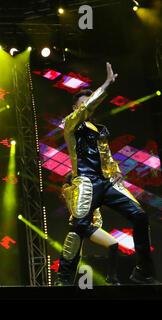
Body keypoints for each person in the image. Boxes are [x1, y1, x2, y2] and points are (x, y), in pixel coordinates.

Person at [58, 62, 155, 284]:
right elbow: (86, 108)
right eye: (85, 103)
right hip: (86, 183)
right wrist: (106, 84)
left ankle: (144, 270)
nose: (89, 106)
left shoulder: (97, 130)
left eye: (90, 102)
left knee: (139, 215)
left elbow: (106, 156)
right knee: (78, 228)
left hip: (105, 183)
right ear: (76, 108)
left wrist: (117, 171)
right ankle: (64, 278)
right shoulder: (70, 124)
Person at [58, 173, 120, 285]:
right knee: (73, 256)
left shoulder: (88, 192)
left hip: (87, 225)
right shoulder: (69, 191)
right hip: (79, 224)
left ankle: (112, 277)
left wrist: (111, 180)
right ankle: (63, 281)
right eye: (75, 178)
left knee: (113, 245)